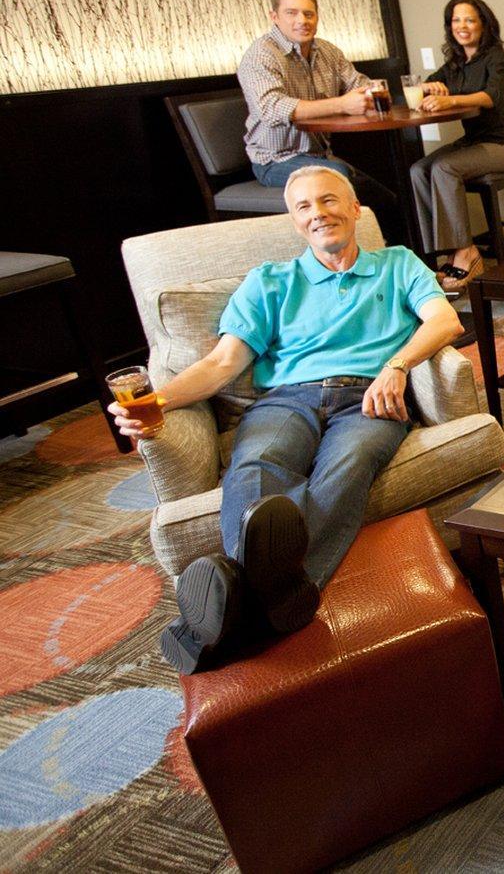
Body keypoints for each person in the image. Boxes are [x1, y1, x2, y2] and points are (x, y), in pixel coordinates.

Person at [109, 166, 464, 674]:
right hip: (287, 399)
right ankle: (272, 607)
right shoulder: (270, 281)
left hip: (369, 395)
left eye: (329, 200)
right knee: (255, 464)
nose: (318, 213)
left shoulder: (397, 264)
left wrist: (396, 365)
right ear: (294, 221)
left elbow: (445, 320)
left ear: (356, 209)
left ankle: (229, 614)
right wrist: (157, 403)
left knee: (350, 463)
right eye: (304, 207)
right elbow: (220, 364)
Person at [236, 0, 403, 237]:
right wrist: (342, 104)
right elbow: (271, 108)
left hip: (320, 156)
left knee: (386, 200)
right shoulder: (261, 55)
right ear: (274, 17)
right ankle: (347, 267)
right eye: (292, 13)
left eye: (309, 13)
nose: (302, 20)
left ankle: (398, 267)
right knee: (339, 179)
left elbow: (360, 84)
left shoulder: (327, 51)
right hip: (275, 160)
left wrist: (370, 93)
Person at [409, 0, 504, 291]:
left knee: (444, 168)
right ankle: (444, 253)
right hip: (476, 142)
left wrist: (449, 98)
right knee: (419, 169)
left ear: (483, 24)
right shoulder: (454, 64)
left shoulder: (496, 57)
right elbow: (424, 85)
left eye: (469, 19)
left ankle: (466, 252)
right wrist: (429, 86)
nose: (462, 26)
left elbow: (491, 96)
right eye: (456, 20)